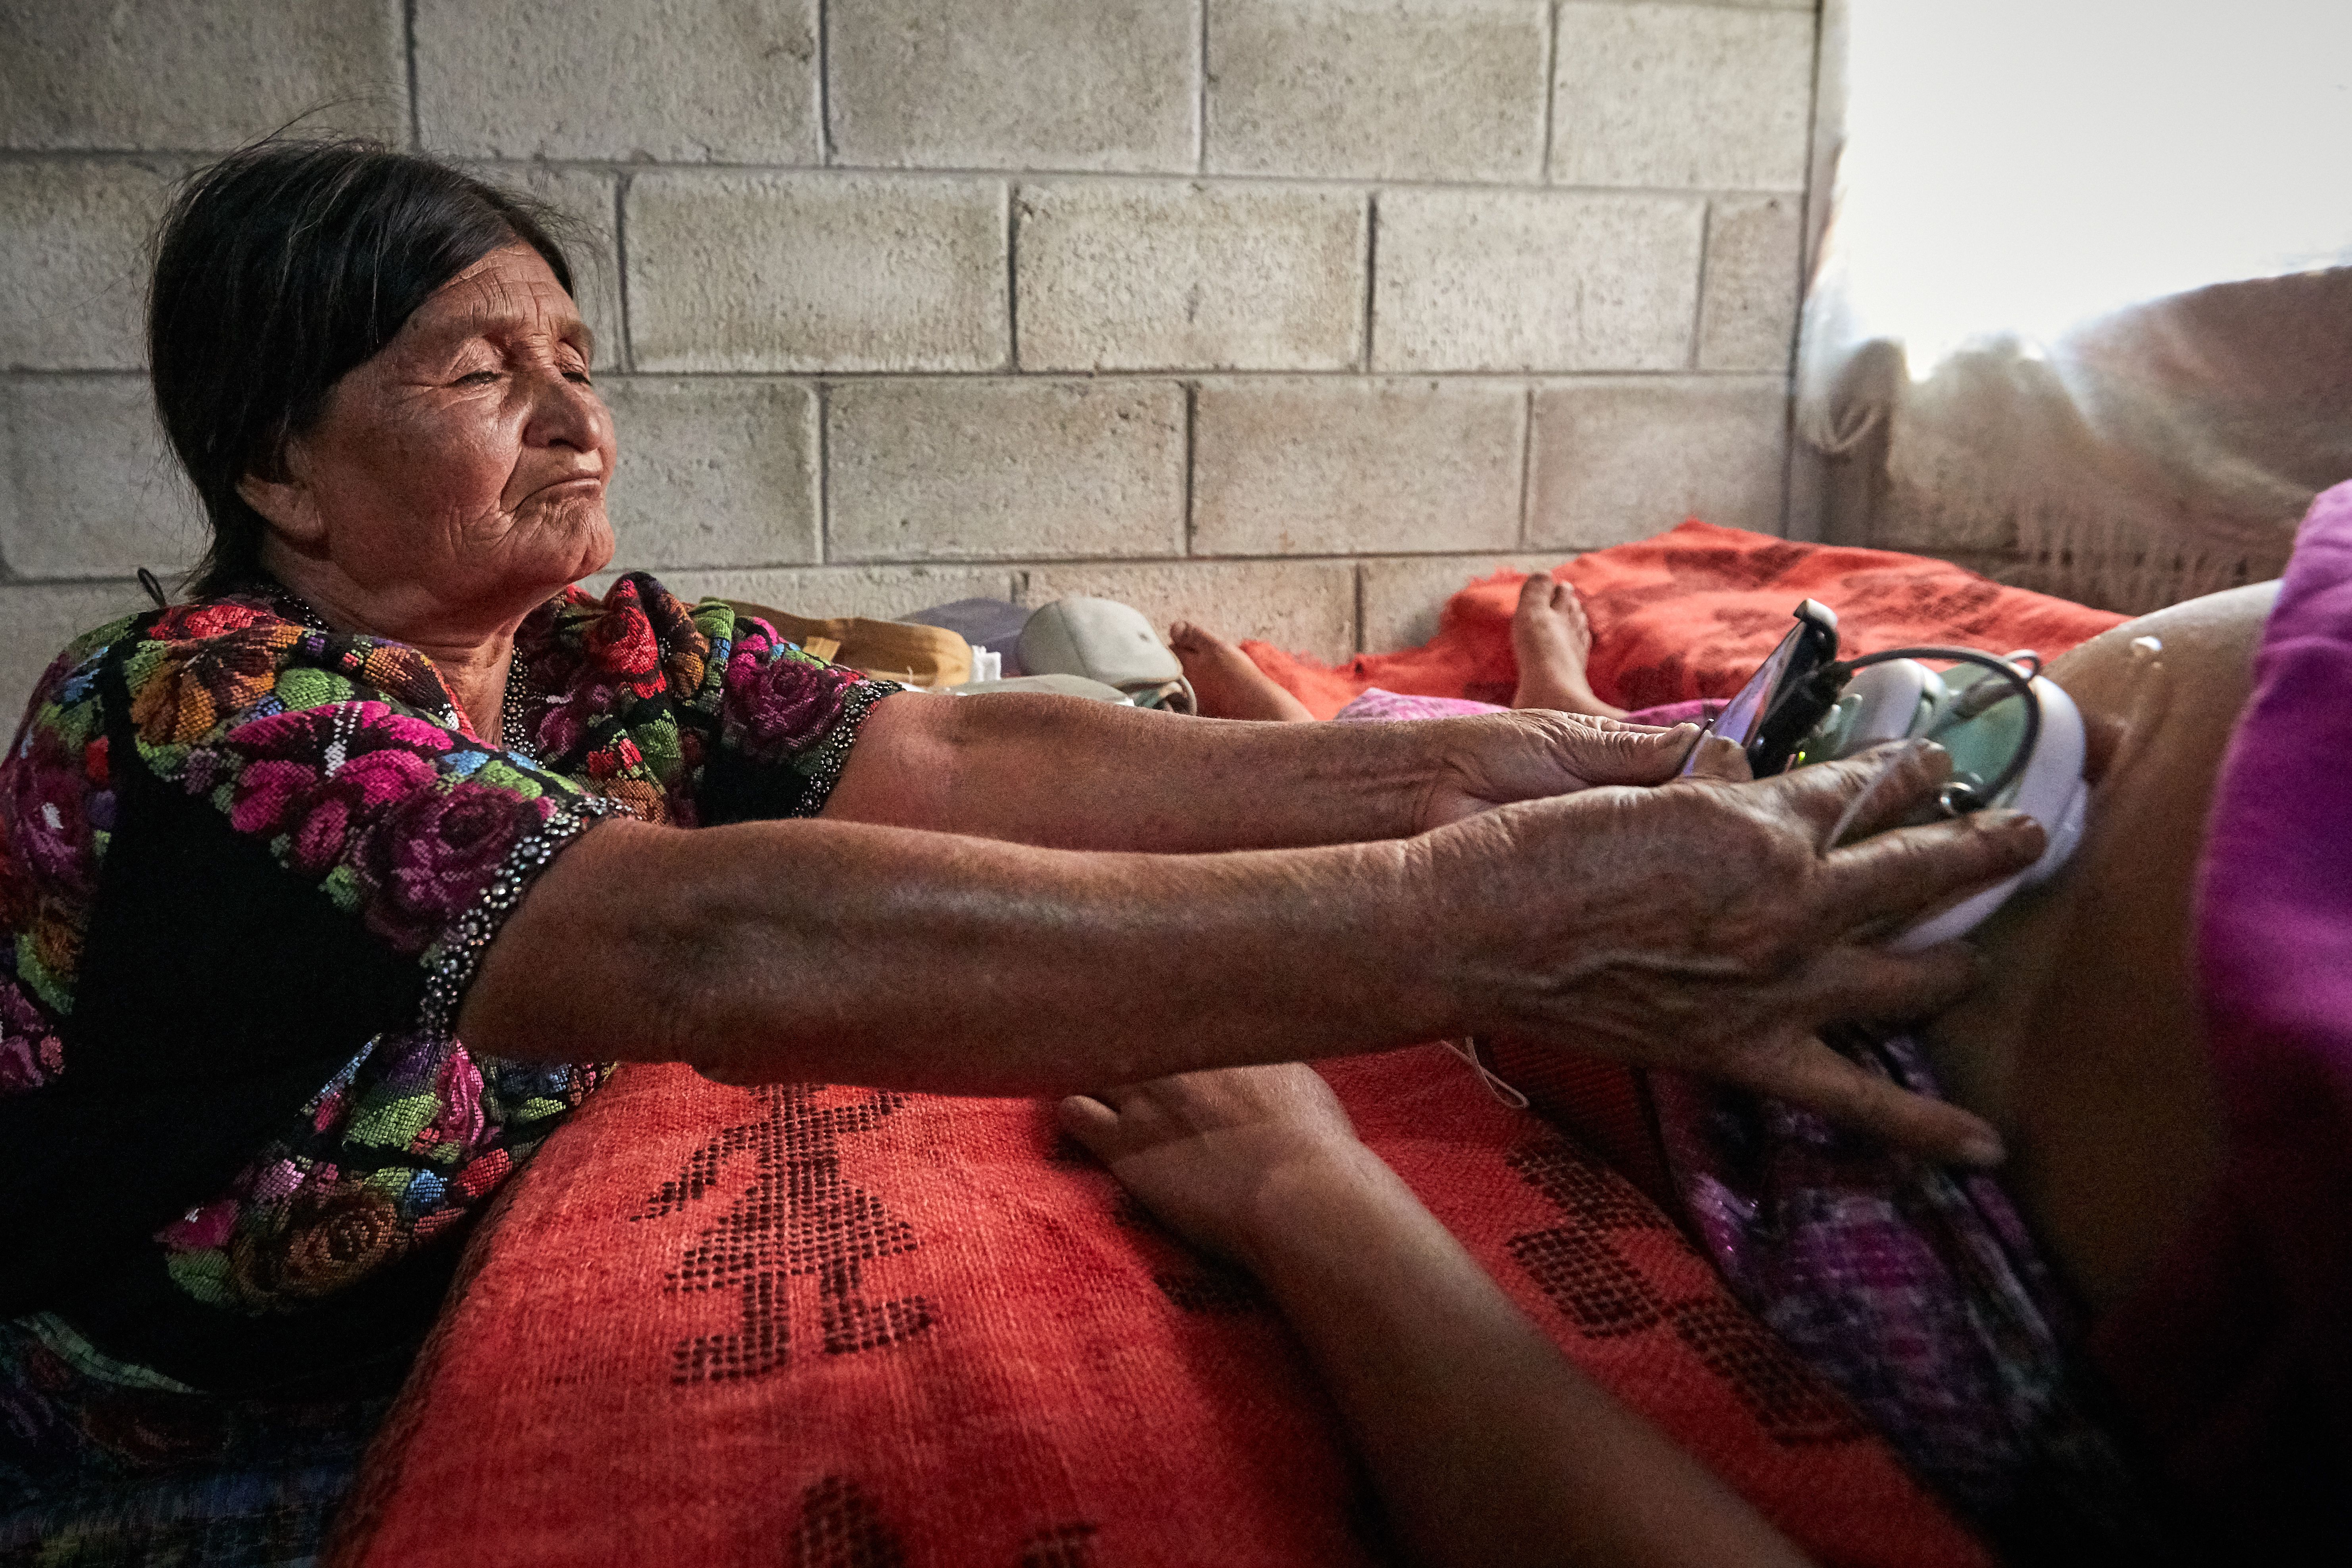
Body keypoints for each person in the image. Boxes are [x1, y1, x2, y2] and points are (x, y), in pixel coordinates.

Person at [1077, 582, 2287, 1564]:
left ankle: (1343, 757)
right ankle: (1503, 718)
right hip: (1835, 794)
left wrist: (1304, 1190)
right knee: (1682, 776)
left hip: (1835, 1109)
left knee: (1576, 874)